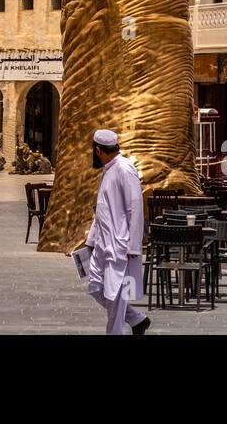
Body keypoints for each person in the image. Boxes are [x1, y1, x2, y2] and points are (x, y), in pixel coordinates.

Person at [84, 129, 149, 335]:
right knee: (95, 286)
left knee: (115, 296)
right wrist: (91, 240)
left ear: (98, 150)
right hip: (102, 244)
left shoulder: (124, 169)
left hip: (119, 245)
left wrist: (133, 245)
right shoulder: (108, 169)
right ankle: (137, 319)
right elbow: (103, 209)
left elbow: (136, 207)